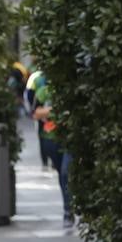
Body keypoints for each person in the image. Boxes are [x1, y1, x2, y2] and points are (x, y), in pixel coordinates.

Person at [32, 84, 74, 228]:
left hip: (70, 139)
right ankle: (68, 207)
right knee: (62, 175)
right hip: (51, 139)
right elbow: (36, 113)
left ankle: (68, 210)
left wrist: (48, 112)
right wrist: (54, 111)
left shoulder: (72, 89)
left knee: (65, 172)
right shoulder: (43, 91)